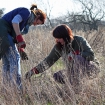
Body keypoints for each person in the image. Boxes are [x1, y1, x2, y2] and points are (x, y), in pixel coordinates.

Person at [25, 24, 100, 93]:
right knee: (57, 76)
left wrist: (75, 54)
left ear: (66, 36)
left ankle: (75, 89)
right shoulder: (59, 47)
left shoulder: (79, 40)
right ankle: (74, 87)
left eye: (59, 38)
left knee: (78, 58)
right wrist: (33, 71)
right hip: (73, 71)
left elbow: (91, 55)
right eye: (56, 38)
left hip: (91, 68)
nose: (57, 40)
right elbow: (48, 61)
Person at [0, 3, 46, 90]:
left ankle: (6, 89)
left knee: (7, 62)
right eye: (38, 23)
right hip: (2, 30)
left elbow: (13, 35)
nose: (36, 25)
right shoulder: (27, 12)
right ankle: (16, 88)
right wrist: (19, 37)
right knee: (15, 58)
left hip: (4, 33)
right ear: (38, 16)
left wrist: (20, 48)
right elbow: (15, 21)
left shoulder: (25, 23)